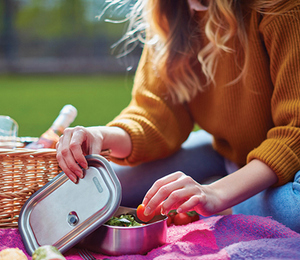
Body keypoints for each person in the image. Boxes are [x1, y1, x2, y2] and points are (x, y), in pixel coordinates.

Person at [56, 0, 300, 232]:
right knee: (91, 188)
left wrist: (217, 194)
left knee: (295, 209)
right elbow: (156, 116)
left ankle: (226, 201)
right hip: (227, 152)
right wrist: (101, 135)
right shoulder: (169, 11)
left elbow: (295, 132)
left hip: (290, 171)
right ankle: (223, 189)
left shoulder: (282, 8)